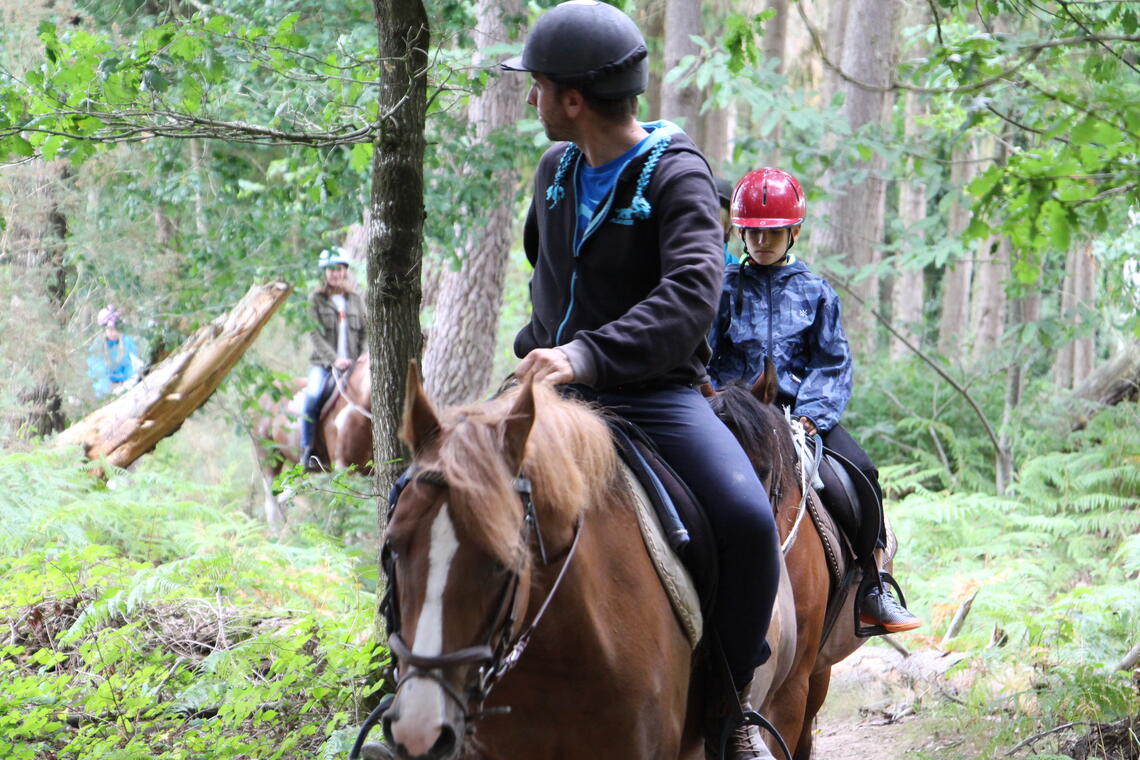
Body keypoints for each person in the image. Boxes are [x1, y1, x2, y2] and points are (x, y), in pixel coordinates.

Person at [501, 3, 781, 758]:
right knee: (429, 486)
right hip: (550, 390)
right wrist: (539, 358)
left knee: (749, 522)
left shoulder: (679, 176)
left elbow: (693, 293)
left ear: (573, 100)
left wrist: (588, 355)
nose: (531, 100)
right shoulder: (554, 171)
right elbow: (549, 283)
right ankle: (415, 688)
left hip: (653, 397)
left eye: (538, 87)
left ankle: (728, 710)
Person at [706, 167, 921, 634]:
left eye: (774, 234)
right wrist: (715, 400)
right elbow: (703, 353)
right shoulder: (721, 287)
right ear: (741, 233)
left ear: (794, 232)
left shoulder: (817, 292)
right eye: (754, 234)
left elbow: (832, 362)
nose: (762, 244)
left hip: (797, 415)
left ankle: (872, 585)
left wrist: (811, 415)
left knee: (861, 472)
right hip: (730, 413)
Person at [299, 247, 367, 471]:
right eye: (330, 270)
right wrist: (334, 360)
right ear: (324, 273)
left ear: (345, 271)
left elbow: (365, 331)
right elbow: (314, 334)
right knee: (312, 398)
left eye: (338, 269)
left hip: (353, 365)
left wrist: (362, 354)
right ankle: (307, 450)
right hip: (325, 365)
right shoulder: (316, 299)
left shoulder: (355, 300)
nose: (335, 274)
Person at [87, 304, 143, 398]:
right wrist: (108, 386)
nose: (113, 333)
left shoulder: (126, 341)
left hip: (127, 384)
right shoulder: (97, 346)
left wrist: (126, 383)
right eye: (110, 329)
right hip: (107, 389)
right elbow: (96, 369)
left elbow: (133, 363)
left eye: (116, 329)